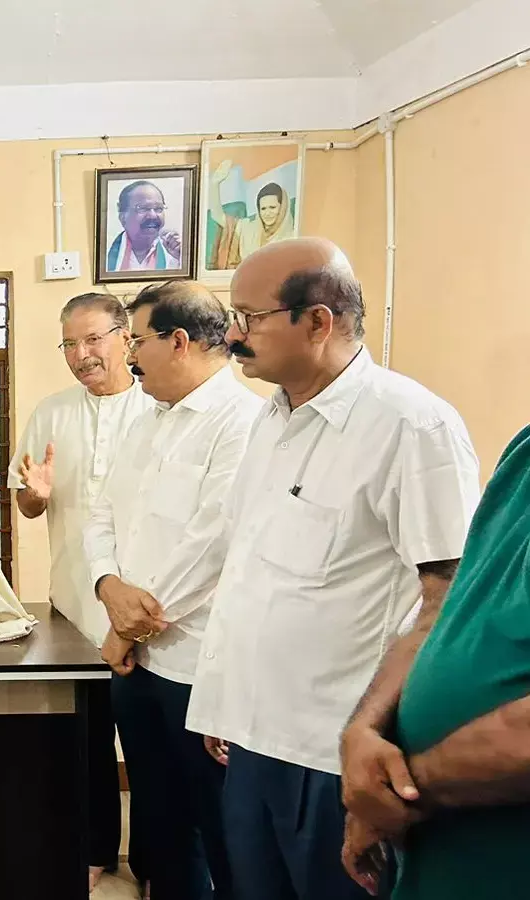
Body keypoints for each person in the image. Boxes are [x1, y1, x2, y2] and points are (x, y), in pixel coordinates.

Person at [179, 238, 479, 900]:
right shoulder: (271, 418)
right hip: (252, 738)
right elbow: (254, 571)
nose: (233, 336)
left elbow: (448, 601)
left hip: (331, 751)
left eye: (250, 318)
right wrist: (224, 698)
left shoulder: (411, 426)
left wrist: (367, 731)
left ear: (317, 321)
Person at [84, 281, 264, 900]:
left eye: (137, 340)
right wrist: (107, 583)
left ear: (179, 341)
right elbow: (102, 513)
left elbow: (213, 542)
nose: (130, 354)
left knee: (218, 826)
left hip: (198, 665)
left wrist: (127, 624)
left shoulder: (243, 422)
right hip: (138, 664)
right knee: (160, 824)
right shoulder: (147, 420)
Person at [342, 423, 530, 899]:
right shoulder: (523, 452)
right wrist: (363, 727)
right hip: (444, 859)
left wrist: (401, 789)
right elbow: (448, 612)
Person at [10, 291, 154, 892]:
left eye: (93, 339)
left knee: (149, 745)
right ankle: (95, 850)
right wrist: (35, 495)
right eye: (69, 343)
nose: (81, 354)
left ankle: (153, 860)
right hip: (74, 604)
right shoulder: (51, 412)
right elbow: (26, 503)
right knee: (87, 741)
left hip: (149, 609)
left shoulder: (159, 406)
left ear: (126, 337)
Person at [208, 164, 297, 270]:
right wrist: (214, 184)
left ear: (282, 208)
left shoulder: (292, 238)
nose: (267, 213)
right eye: (263, 209)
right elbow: (218, 216)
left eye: (272, 207)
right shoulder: (248, 229)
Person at [107, 180, 182, 272]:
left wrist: (181, 258)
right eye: (142, 208)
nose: (153, 215)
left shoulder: (175, 255)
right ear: (123, 217)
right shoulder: (103, 253)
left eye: (158, 208)